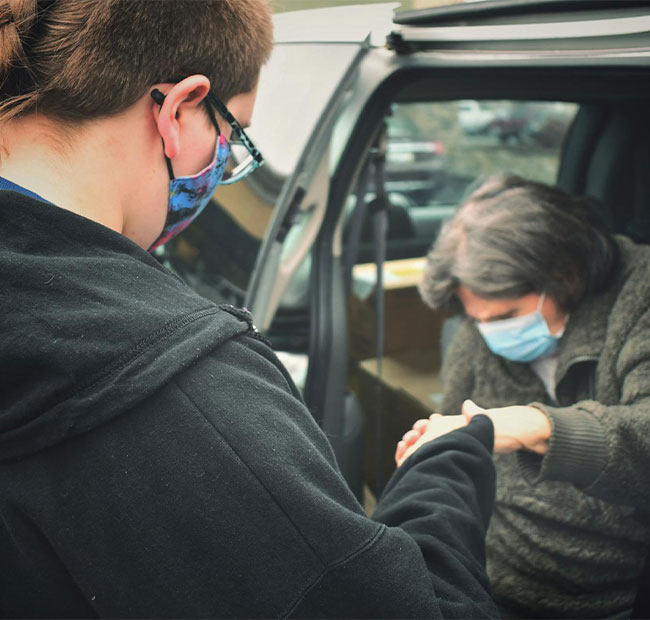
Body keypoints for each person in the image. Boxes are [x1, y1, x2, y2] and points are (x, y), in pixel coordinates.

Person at [0, 1, 500, 617]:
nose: (221, 166)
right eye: (230, 133)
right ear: (180, 109)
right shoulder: (185, 390)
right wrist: (444, 470)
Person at [397, 173, 650, 618]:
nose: (491, 332)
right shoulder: (480, 329)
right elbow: (452, 438)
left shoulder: (639, 297)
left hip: (611, 595)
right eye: (478, 319)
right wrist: (430, 466)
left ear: (564, 275)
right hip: (490, 583)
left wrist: (537, 428)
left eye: (508, 315)